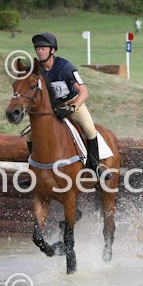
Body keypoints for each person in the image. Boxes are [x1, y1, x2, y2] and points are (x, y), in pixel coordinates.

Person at [25, 32, 107, 180]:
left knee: (89, 129)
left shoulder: (65, 66)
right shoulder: (37, 69)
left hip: (73, 105)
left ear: (52, 50)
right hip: (52, 109)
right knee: (30, 135)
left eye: (43, 48)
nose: (39, 51)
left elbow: (84, 92)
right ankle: (34, 169)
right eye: (37, 48)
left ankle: (95, 165)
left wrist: (72, 108)